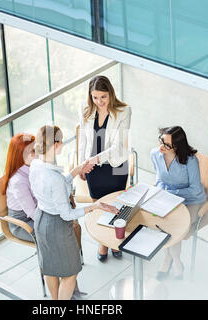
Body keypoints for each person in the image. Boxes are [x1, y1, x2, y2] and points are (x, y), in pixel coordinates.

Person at [30, 125, 119, 300]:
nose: (62, 144)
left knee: (50, 268)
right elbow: (67, 215)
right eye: (61, 141)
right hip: (57, 226)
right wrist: (95, 206)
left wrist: (76, 170)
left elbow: (55, 186)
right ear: (56, 145)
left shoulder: (35, 165)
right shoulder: (54, 178)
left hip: (41, 219)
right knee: (70, 273)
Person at [78, 75, 132, 262]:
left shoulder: (124, 111)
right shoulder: (85, 110)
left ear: (110, 94)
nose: (99, 102)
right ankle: (104, 242)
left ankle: (113, 240)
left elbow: (118, 145)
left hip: (115, 166)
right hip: (93, 168)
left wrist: (94, 159)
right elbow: (83, 141)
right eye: (95, 97)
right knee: (99, 206)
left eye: (103, 97)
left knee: (117, 206)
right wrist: (82, 166)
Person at [150, 126, 207, 280]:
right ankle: (171, 259)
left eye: (167, 145)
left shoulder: (190, 161)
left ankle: (174, 260)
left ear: (177, 146)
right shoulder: (155, 154)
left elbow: (195, 190)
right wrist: (159, 191)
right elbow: (159, 178)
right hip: (168, 196)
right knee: (158, 222)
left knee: (174, 227)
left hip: (191, 200)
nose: (161, 146)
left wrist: (170, 193)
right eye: (161, 140)